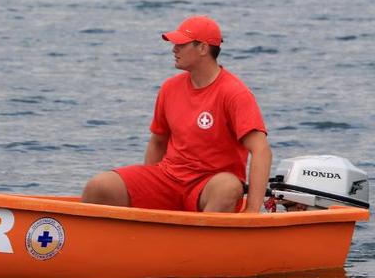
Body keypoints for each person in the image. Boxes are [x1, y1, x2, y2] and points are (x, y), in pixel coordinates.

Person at [82, 16, 272, 213]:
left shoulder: (235, 93)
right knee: (99, 186)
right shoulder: (169, 88)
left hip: (209, 184)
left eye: (181, 44)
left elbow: (261, 151)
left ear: (203, 48)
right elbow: (158, 142)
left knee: (228, 187)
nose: (174, 49)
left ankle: (204, 240)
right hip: (170, 177)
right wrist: (149, 202)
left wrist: (251, 210)